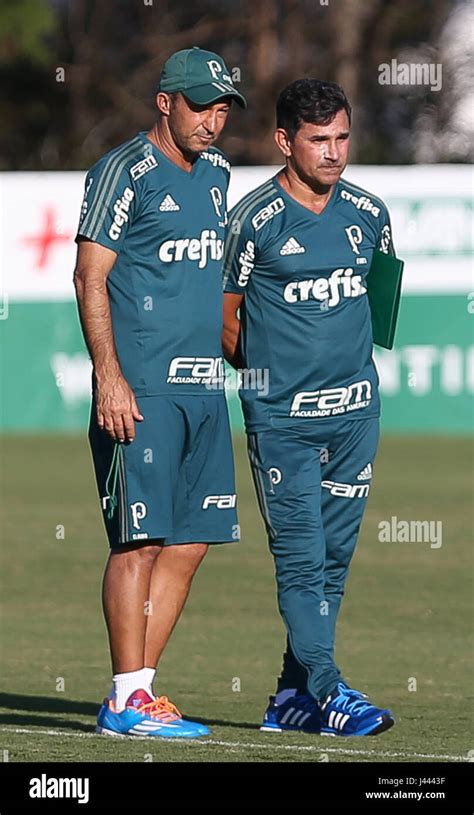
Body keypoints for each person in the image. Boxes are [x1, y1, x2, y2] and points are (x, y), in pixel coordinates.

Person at [74, 47, 246, 739]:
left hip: (204, 388)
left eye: (224, 107)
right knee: (138, 540)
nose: (213, 119)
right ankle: (124, 696)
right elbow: (90, 278)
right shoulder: (123, 171)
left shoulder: (219, 175)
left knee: (192, 540)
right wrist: (108, 376)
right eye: (202, 104)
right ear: (165, 102)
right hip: (140, 387)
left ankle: (138, 694)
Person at [222, 78, 396, 736]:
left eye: (342, 137)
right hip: (283, 424)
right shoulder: (253, 219)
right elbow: (225, 318)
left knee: (331, 565)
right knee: (300, 558)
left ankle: (291, 698)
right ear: (284, 141)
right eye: (318, 140)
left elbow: (379, 313)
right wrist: (274, 381)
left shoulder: (371, 213)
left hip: (356, 419)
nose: (333, 151)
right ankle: (330, 690)